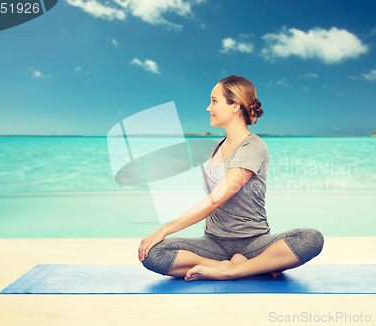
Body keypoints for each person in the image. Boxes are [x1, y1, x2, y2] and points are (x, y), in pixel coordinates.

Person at [138, 75, 324, 281]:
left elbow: (215, 200)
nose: (209, 108)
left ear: (235, 106)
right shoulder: (216, 147)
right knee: (153, 254)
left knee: (311, 238)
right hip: (213, 244)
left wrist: (164, 230)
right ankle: (242, 267)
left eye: (214, 101)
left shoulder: (253, 146)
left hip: (254, 243)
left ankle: (232, 271)